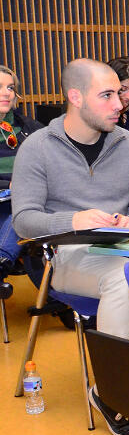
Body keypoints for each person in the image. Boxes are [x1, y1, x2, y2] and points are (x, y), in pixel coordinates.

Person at [12, 58, 129, 435]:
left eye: (120, 94)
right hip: (68, 253)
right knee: (124, 280)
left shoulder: (128, 143)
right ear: (75, 97)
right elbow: (23, 219)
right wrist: (72, 220)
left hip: (127, 245)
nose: (120, 103)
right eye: (107, 95)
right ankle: (114, 392)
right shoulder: (38, 147)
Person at [0, 64, 44, 279]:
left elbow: (51, 163)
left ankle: (2, 261)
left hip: (29, 199)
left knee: (24, 207)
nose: (6, 93)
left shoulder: (30, 128)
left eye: (10, 87)